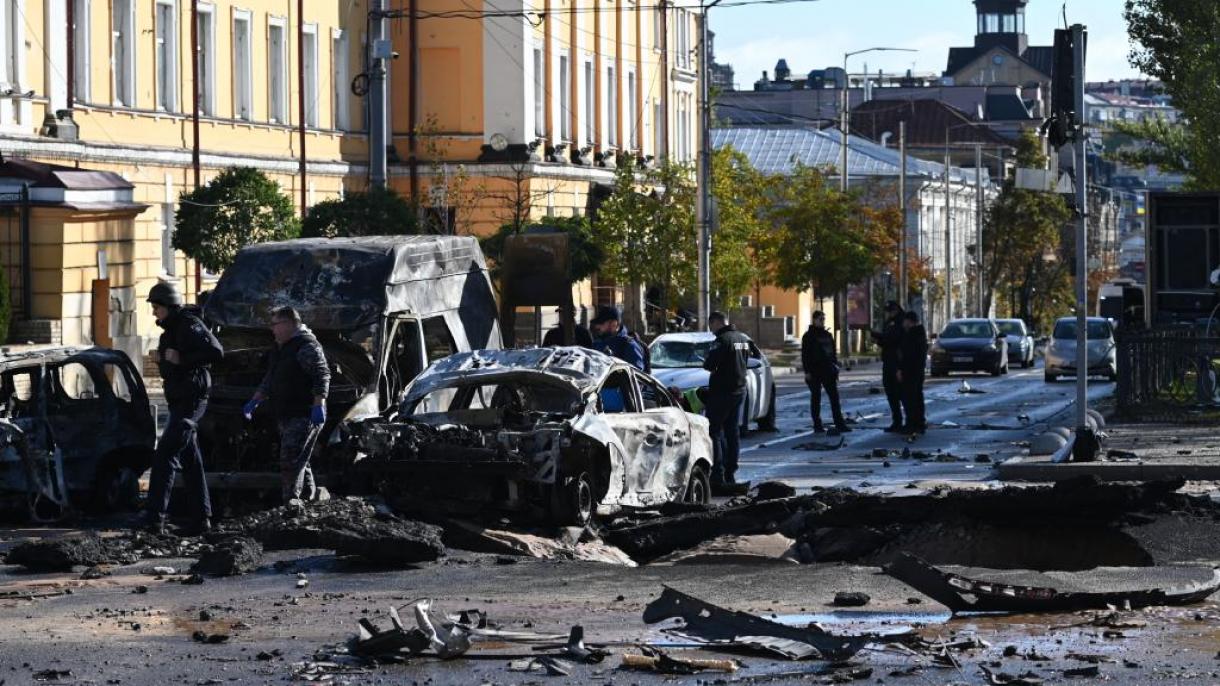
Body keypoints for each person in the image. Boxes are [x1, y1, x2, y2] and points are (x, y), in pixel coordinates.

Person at [143, 281, 224, 535]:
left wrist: (182, 359)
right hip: (180, 398)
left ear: (169, 305)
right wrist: (163, 361)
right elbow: (173, 365)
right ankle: (202, 519)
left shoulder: (189, 325)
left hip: (192, 399)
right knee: (191, 460)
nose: (154, 312)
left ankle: (155, 520)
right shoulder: (170, 330)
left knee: (165, 454)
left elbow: (216, 351)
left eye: (157, 307)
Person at [242, 306, 331, 504]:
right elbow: (271, 376)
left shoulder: (306, 346)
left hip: (305, 413)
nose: (272, 329)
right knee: (300, 460)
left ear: (290, 324)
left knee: (290, 459)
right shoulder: (281, 347)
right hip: (286, 413)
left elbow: (322, 374)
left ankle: (291, 502)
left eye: (275, 324)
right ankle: (308, 501)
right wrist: (255, 399)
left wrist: (319, 404)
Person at [702, 311, 750, 492]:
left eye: (711, 326)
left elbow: (709, 364)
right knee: (732, 432)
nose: (711, 330)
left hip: (722, 392)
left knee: (714, 431)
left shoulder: (721, 340)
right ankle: (731, 472)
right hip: (739, 391)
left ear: (715, 323)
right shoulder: (741, 339)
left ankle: (718, 474)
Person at [801, 310, 849, 434]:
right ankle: (817, 425)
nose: (822, 321)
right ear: (814, 320)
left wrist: (836, 368)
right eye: (820, 319)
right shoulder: (808, 336)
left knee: (834, 398)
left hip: (828, 370)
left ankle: (840, 424)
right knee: (816, 398)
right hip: (814, 371)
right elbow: (805, 355)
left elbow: (832, 353)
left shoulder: (827, 335)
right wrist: (807, 371)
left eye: (824, 319)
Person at [871, 301, 906, 432]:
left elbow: (893, 339)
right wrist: (879, 340)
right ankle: (896, 421)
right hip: (888, 360)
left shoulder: (901, 322)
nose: (889, 314)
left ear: (896, 310)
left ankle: (909, 422)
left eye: (890, 311)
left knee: (902, 393)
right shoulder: (889, 322)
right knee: (890, 392)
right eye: (888, 311)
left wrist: (879, 337)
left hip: (897, 361)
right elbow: (887, 341)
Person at [898, 310, 929, 435]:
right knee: (917, 397)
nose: (903, 323)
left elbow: (908, 355)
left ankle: (911, 424)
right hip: (917, 371)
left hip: (911, 371)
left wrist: (901, 370)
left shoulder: (913, 335)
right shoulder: (919, 333)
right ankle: (919, 423)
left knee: (910, 399)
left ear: (909, 321)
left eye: (905, 321)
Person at [589, 306, 647, 371]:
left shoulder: (629, 345)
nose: (598, 327)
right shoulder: (597, 343)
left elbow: (636, 374)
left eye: (601, 323)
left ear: (613, 324)